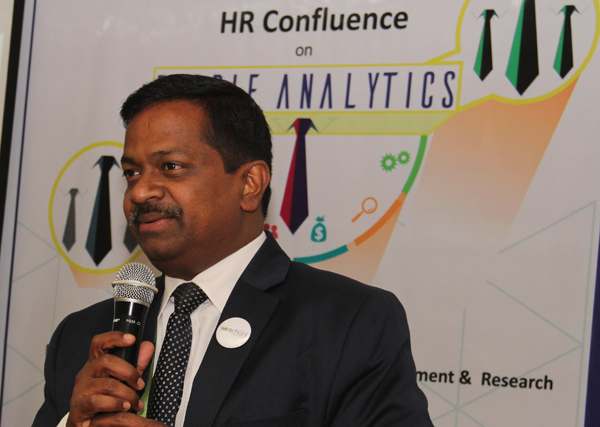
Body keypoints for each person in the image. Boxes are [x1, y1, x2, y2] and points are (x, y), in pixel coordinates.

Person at [32, 74, 433, 427]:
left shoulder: (348, 322)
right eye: (132, 172)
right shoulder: (81, 336)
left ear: (249, 184)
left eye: (170, 167)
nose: (139, 192)